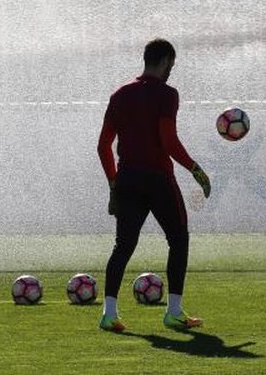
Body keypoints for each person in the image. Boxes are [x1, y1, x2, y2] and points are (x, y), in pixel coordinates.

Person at [96, 38, 211, 332]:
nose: (172, 70)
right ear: (164, 61)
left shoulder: (120, 94)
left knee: (123, 246)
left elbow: (103, 146)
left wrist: (113, 184)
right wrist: (195, 170)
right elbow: (168, 142)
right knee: (179, 239)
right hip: (158, 179)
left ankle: (109, 314)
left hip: (128, 179)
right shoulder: (167, 94)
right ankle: (173, 312)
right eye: (171, 64)